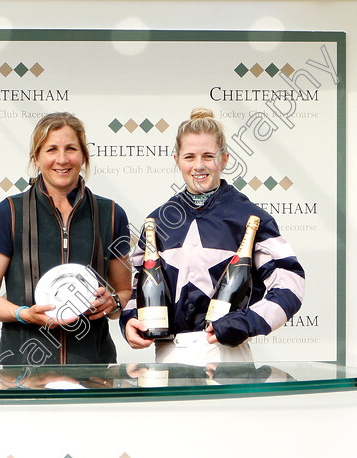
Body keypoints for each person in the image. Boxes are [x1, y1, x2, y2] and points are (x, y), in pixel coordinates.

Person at [121, 107, 305, 364]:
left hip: (229, 357)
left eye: (209, 156)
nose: (199, 166)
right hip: (167, 357)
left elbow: (290, 282)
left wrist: (246, 322)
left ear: (226, 159)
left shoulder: (250, 217)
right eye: (189, 157)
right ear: (176, 160)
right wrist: (129, 321)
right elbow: (134, 287)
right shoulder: (158, 220)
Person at [0, 112, 132, 365]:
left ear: (83, 156)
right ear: (36, 158)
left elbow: (124, 291)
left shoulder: (112, 214)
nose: (62, 159)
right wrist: (24, 314)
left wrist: (111, 303)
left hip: (93, 369)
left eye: (71, 148)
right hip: (22, 371)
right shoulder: (9, 212)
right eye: (51, 150)